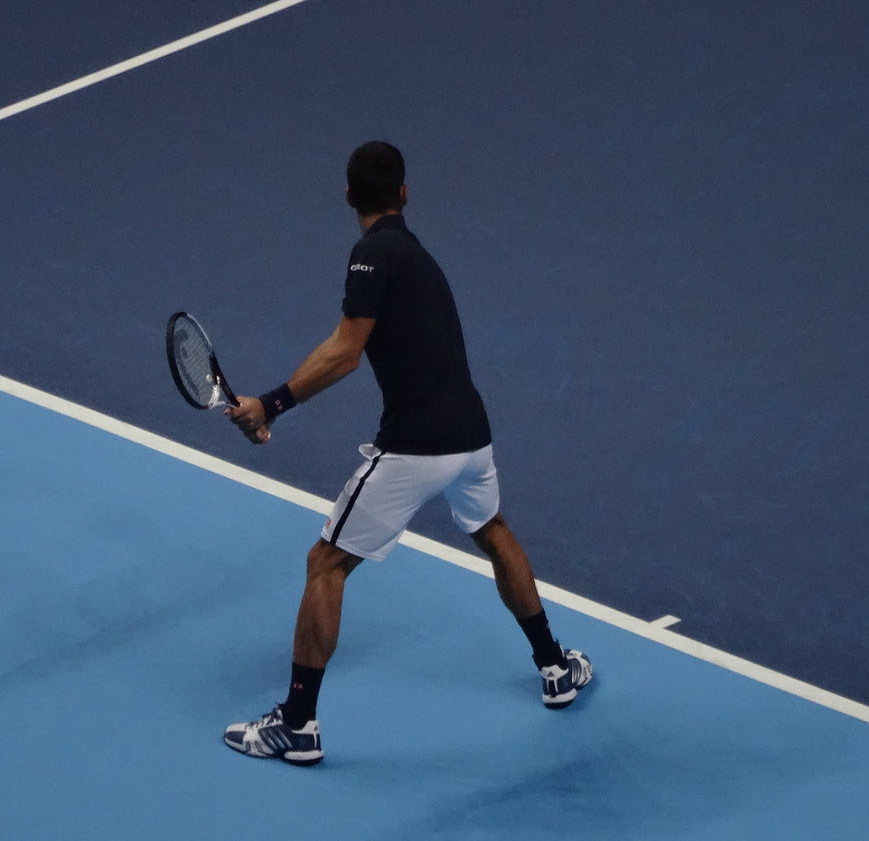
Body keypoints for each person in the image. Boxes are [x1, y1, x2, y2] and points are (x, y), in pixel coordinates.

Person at [220, 141, 592, 766]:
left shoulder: (371, 255)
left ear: (347, 197)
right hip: (472, 437)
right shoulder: (415, 252)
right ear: (404, 193)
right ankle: (556, 666)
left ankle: (297, 723)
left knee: (325, 564)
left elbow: (345, 349)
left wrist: (272, 404)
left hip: (417, 446)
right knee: (492, 529)